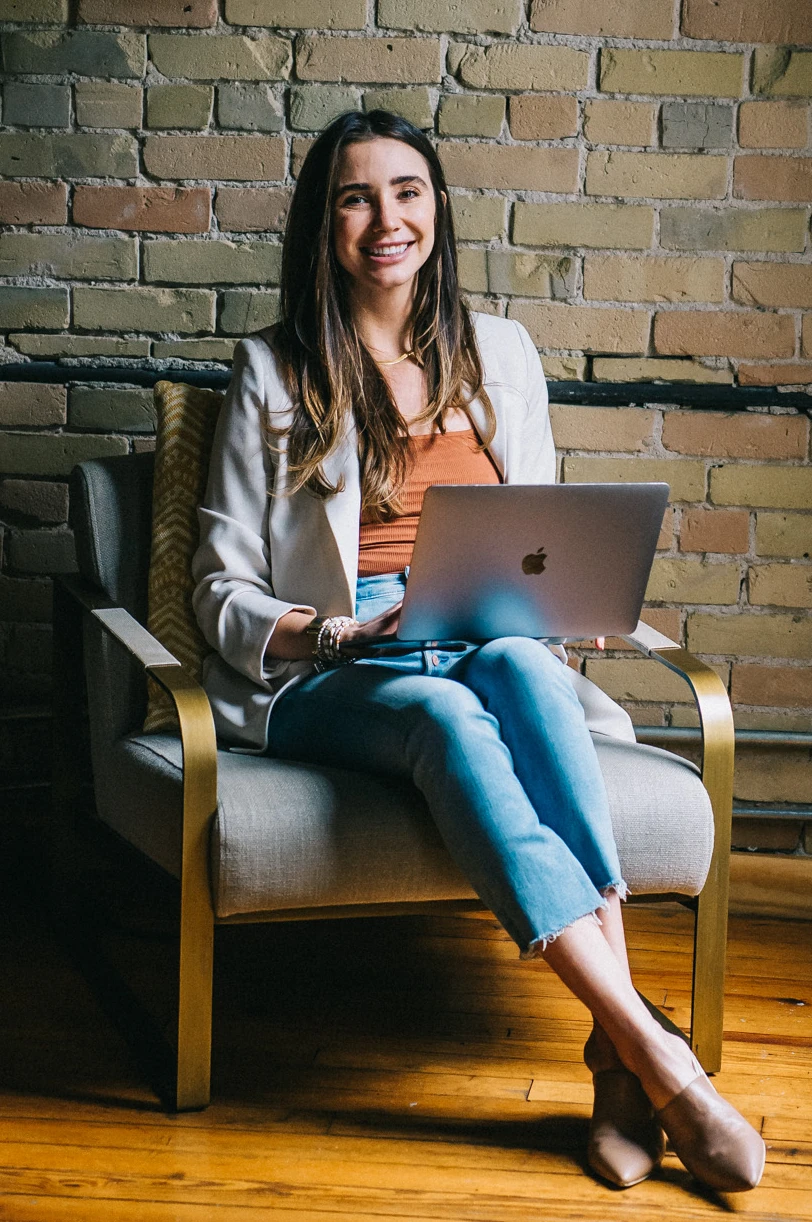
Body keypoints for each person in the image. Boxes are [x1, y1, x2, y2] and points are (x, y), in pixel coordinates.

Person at [192, 110, 764, 1193]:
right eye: (355, 197)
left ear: (437, 208)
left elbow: (539, 529)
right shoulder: (270, 371)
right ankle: (651, 1052)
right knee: (450, 715)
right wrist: (336, 627)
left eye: (406, 191)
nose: (384, 218)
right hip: (335, 662)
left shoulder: (496, 350)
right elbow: (216, 591)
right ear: (325, 223)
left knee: (517, 674)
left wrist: (567, 597)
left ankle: (615, 1055)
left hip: (479, 624)